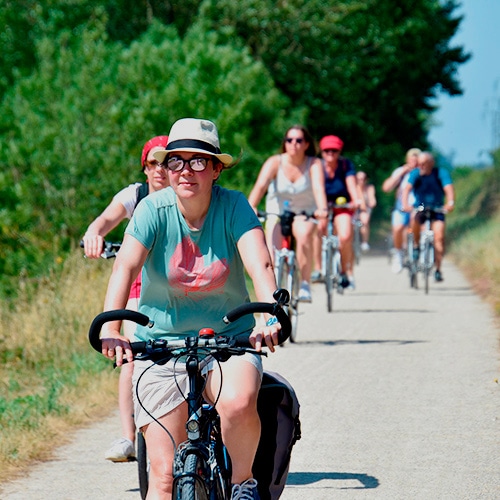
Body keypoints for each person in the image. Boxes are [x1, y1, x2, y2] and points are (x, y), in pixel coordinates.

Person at [99, 118, 283, 499]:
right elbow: (126, 265)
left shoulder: (234, 206)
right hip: (160, 346)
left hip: (229, 341)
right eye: (176, 162)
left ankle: (243, 484)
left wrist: (269, 315)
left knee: (237, 402)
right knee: (163, 479)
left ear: (216, 169)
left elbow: (260, 263)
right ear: (165, 169)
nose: (186, 171)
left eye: (199, 161)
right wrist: (112, 326)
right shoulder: (152, 209)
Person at [82, 135, 169, 462]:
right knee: (131, 353)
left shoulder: (188, 194)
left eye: (166, 161)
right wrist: (94, 235)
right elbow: (105, 220)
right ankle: (127, 436)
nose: (160, 169)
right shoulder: (135, 195)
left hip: (181, 287)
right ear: (144, 168)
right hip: (140, 288)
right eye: (153, 163)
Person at [247, 125, 328, 303]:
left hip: (303, 212)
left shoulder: (314, 164)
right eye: (289, 140)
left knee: (304, 235)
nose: (294, 144)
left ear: (306, 144)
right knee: (271, 253)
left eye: (299, 140)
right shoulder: (275, 162)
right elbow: (261, 186)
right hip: (276, 211)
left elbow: (318, 188)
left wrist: (322, 209)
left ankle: (305, 283)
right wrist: (251, 205)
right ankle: (272, 294)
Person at [311, 135, 363, 289]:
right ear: (322, 151)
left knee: (346, 235)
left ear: (339, 151)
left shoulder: (345, 165)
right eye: (327, 150)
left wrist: (355, 200)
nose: (330, 153)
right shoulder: (317, 166)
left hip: (343, 206)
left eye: (334, 150)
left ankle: (344, 270)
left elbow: (351, 184)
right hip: (322, 207)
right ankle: (318, 268)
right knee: (319, 228)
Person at [401, 151, 455, 282]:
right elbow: (407, 189)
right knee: (414, 218)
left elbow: (448, 189)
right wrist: (405, 204)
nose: (421, 166)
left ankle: (438, 269)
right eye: (419, 164)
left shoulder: (440, 173)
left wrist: (450, 203)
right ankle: (415, 245)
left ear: (432, 163)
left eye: (424, 164)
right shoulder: (415, 174)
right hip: (420, 207)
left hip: (437, 208)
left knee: (439, 237)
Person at [382, 148, 421, 274]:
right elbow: (386, 188)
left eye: (416, 160)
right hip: (401, 207)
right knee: (398, 229)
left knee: (422, 229)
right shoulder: (401, 172)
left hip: (418, 207)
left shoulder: (423, 172)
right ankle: (398, 254)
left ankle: (419, 252)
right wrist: (402, 172)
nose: (414, 163)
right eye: (411, 160)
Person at [356, 170, 377, 252]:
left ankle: (364, 242)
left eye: (363, 179)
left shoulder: (369, 188)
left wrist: (372, 202)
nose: (361, 181)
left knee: (364, 220)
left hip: (364, 210)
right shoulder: (353, 187)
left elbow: (372, 200)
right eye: (358, 179)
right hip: (354, 209)